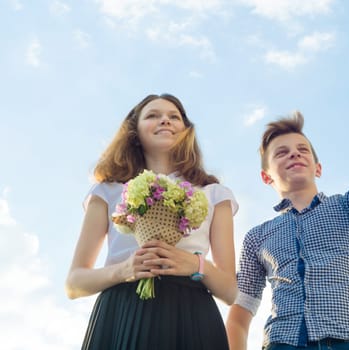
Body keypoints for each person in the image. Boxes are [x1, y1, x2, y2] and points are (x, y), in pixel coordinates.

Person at [226, 26, 349, 350]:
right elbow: (241, 311)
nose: (294, 153)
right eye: (281, 152)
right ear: (266, 177)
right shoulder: (257, 237)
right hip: (282, 343)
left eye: (302, 149)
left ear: (317, 167)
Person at [65, 93, 238, 350]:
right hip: (121, 312)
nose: (165, 121)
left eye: (174, 117)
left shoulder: (213, 193)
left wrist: (196, 264)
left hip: (191, 314)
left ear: (186, 130)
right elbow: (74, 283)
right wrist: (123, 270)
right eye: (153, 116)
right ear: (134, 131)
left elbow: (229, 291)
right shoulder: (107, 191)